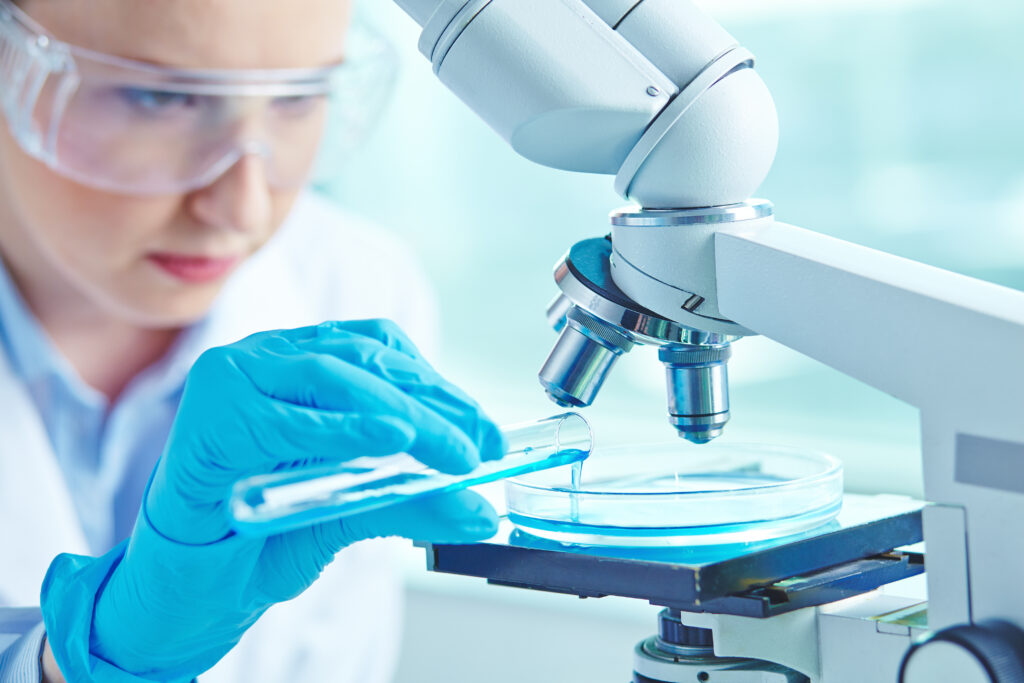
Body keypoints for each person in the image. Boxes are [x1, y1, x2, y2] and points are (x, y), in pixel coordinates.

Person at [0, 0, 504, 681]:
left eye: (299, 97)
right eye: (161, 96)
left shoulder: (356, 284)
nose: (243, 208)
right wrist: (89, 660)